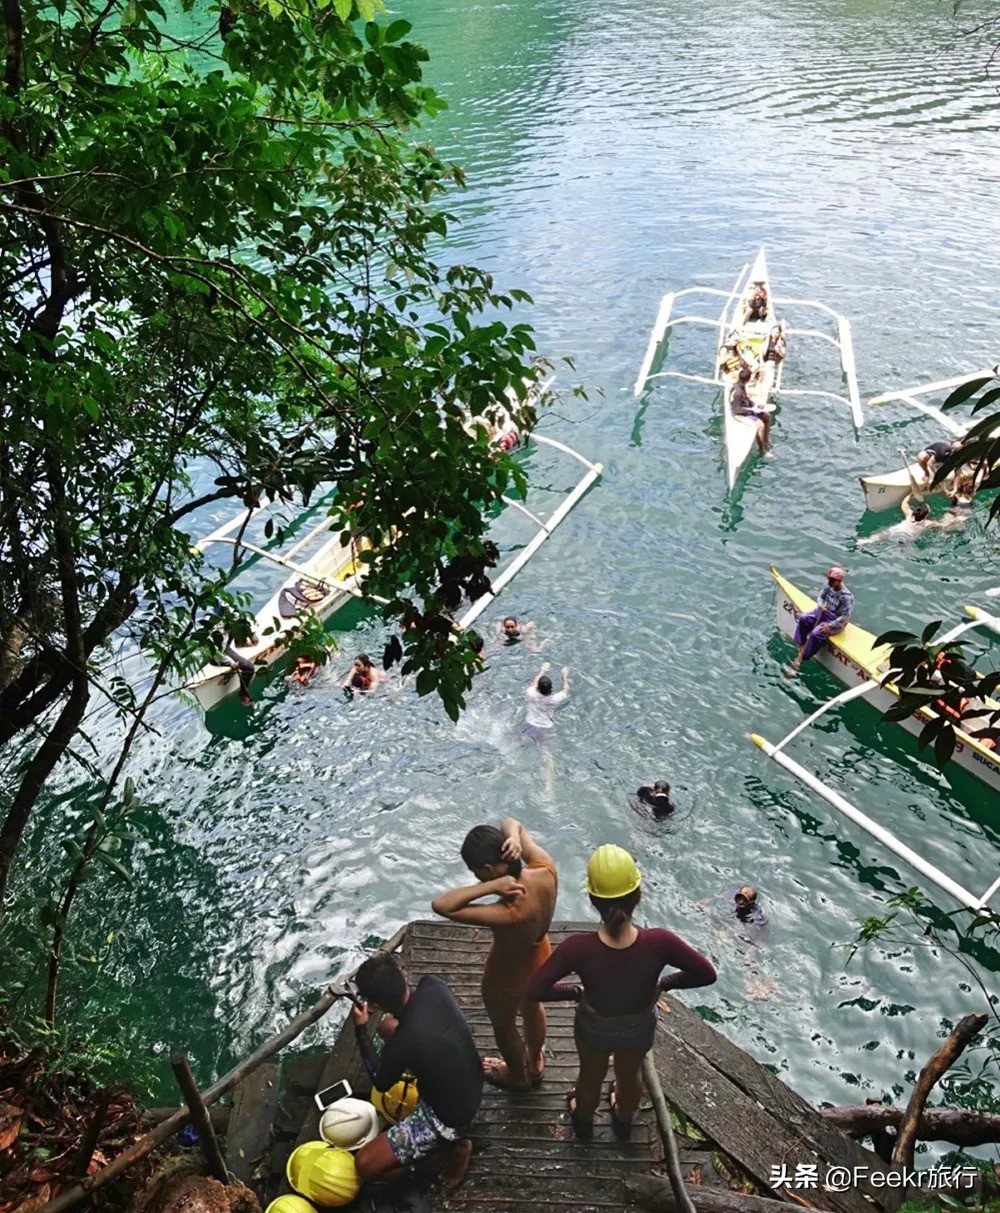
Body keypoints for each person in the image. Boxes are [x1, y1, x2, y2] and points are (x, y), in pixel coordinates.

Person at [526, 846, 716, 1141]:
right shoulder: (660, 942)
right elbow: (706, 973)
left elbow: (535, 989)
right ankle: (623, 1117)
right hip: (638, 1027)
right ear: (637, 894)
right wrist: (663, 985)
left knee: (590, 1077)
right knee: (629, 1077)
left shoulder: (577, 948)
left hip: (594, 1027)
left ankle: (584, 1118)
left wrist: (576, 993)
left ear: (592, 900)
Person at [431, 819, 558, 1092]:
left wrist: (491, 887)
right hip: (541, 955)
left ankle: (516, 1075)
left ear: (487, 870)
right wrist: (513, 835)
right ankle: (535, 1062)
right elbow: (513, 822)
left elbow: (442, 905)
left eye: (475, 872)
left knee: (504, 1025)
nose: (476, 877)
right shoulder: (544, 868)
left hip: (508, 975)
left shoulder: (510, 912)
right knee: (533, 1006)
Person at [351, 954, 482, 1190]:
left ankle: (450, 1151)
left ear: (374, 1005)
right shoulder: (432, 985)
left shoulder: (404, 1041)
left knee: (364, 1166)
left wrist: (361, 1029)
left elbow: (381, 1082)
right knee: (386, 1027)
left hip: (449, 1118)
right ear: (402, 974)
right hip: (471, 1080)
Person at [785, 566, 854, 676]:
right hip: (823, 611)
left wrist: (831, 625)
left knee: (816, 633)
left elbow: (846, 615)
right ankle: (801, 646)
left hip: (836, 620)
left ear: (839, 581)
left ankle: (803, 657)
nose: (829, 581)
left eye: (832, 580)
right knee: (803, 619)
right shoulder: (828, 585)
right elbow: (820, 596)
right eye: (829, 579)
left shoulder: (846, 596)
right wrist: (820, 605)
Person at [520, 662, 569, 743]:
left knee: (517, 740)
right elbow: (566, 690)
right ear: (551, 688)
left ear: (538, 688)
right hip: (545, 726)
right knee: (544, 746)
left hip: (530, 723)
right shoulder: (554, 699)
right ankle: (547, 755)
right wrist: (565, 677)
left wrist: (542, 671)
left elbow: (534, 682)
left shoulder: (531, 693)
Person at [730, 368, 772, 456]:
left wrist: (754, 405)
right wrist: (751, 410)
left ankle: (766, 440)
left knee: (767, 416)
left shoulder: (741, 386)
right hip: (738, 414)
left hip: (746, 409)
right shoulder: (737, 392)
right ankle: (762, 451)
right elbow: (735, 409)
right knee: (760, 425)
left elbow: (745, 399)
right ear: (748, 379)